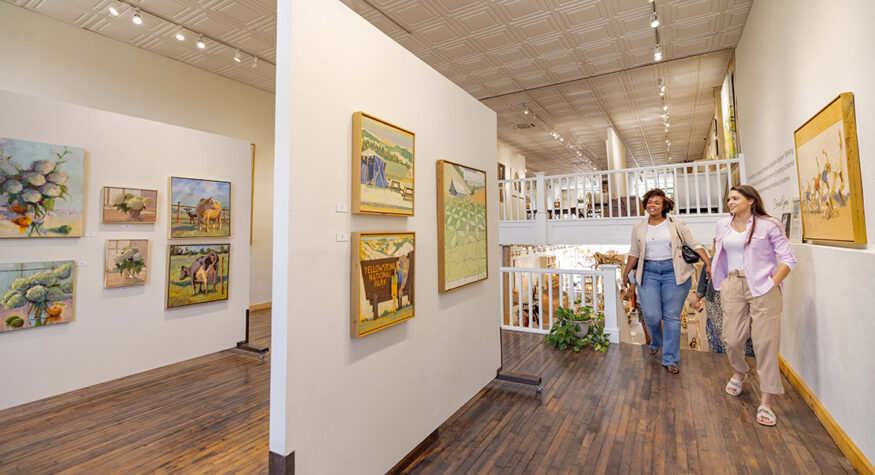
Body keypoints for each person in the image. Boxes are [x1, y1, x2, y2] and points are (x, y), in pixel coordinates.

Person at [712, 185, 795, 427]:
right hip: (733, 284)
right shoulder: (722, 225)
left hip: (763, 287)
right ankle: (740, 371)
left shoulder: (769, 224)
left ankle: (766, 400)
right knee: (732, 338)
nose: (730, 202)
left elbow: (788, 258)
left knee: (765, 343)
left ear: (750, 200)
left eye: (735, 198)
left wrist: (773, 284)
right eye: (728, 198)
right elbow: (720, 253)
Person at [622, 189, 711, 374]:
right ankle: (655, 341)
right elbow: (634, 252)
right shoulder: (639, 225)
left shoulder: (676, 223)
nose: (652, 205)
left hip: (674, 272)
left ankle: (670, 358)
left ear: (664, 206)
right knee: (651, 315)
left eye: (656, 202)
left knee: (671, 317)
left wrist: (708, 263)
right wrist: (626, 271)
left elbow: (694, 244)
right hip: (649, 273)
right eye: (649, 202)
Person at [695, 242, 755, 357]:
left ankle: (722, 357)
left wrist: (698, 299)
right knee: (740, 328)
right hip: (732, 300)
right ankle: (742, 357)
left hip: (716, 301)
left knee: (720, 332)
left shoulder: (712, 261)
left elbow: (702, 286)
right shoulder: (743, 262)